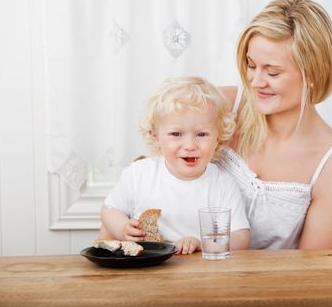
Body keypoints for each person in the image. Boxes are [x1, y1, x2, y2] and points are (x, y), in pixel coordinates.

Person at [216, 0, 332, 250]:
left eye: (273, 72)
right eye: (251, 65)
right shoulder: (221, 107)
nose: (256, 81)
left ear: (313, 74)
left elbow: (312, 273)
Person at [98, 76, 250, 254]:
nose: (190, 146)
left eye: (201, 134)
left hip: (200, 273)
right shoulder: (139, 174)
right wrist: (123, 228)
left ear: (218, 137)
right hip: (146, 269)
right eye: (176, 134)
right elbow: (109, 210)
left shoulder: (223, 184)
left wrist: (203, 243)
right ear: (155, 135)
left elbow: (241, 237)